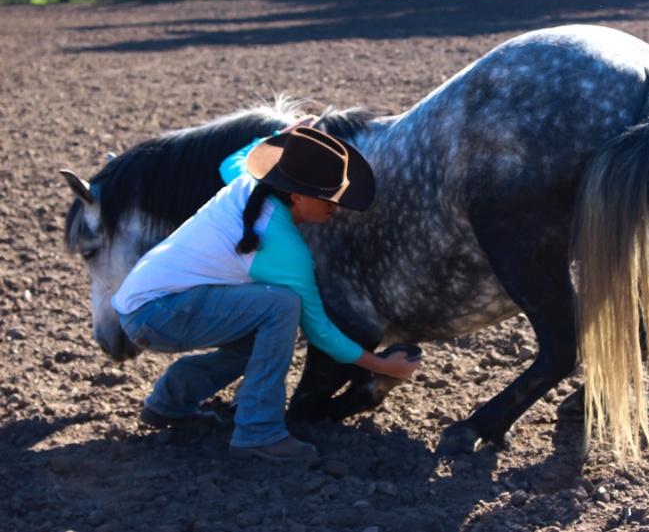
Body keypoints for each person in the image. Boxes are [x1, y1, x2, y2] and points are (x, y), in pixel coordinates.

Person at [111, 124, 420, 461]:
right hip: (155, 315)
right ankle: (259, 433)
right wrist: (381, 365)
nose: (337, 205)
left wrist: (284, 135)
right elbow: (321, 332)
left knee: (257, 334)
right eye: (327, 197)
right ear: (296, 196)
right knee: (281, 306)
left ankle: (170, 403)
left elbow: (234, 159)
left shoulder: (249, 182)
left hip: (145, 301)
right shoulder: (284, 249)